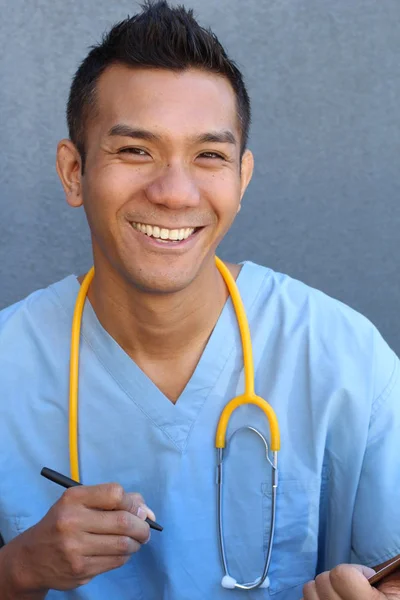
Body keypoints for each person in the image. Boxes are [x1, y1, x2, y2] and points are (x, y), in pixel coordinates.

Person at [0, 1, 399, 598]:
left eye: (209, 156)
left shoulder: (343, 358)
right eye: (136, 150)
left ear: (241, 179)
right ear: (73, 172)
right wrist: (18, 571)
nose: (174, 192)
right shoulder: (8, 363)